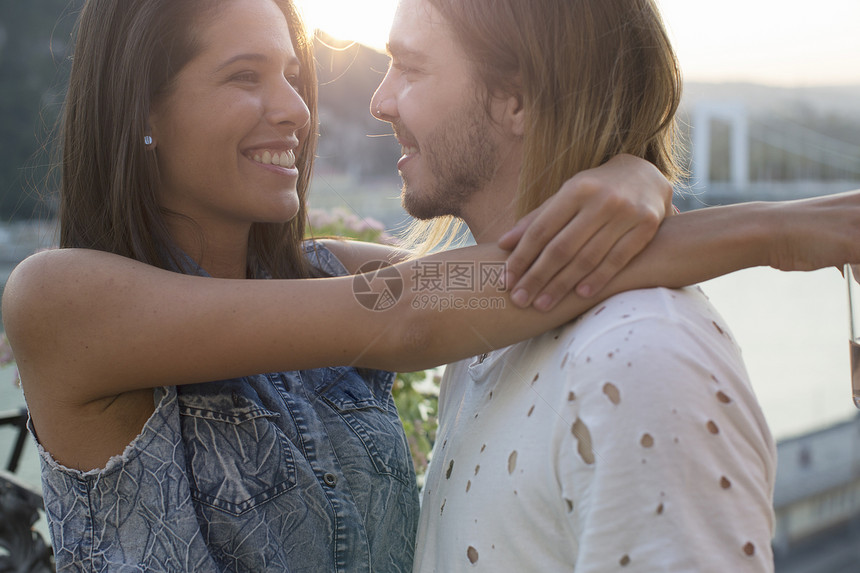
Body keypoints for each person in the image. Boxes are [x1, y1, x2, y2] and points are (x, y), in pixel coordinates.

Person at [2, 0, 859, 571]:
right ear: (143, 111)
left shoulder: (332, 275)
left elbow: (516, 279)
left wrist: (633, 174)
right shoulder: (63, 300)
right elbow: (417, 316)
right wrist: (782, 233)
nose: (298, 111)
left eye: (294, 76)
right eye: (244, 78)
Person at [368, 0, 860, 571]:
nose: (379, 102)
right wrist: (772, 229)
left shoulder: (640, 359)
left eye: (410, 68)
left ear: (517, 100)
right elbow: (406, 299)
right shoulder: (485, 326)